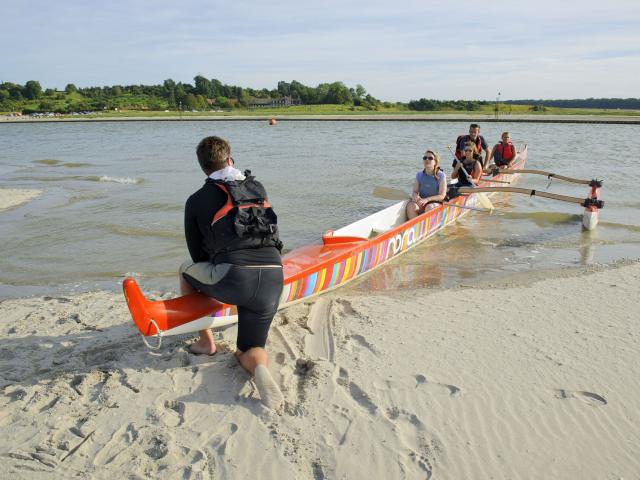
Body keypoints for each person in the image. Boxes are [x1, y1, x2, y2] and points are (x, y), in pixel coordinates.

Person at [180, 135, 285, 411]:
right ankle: (259, 368)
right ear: (230, 159)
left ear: (203, 168)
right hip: (274, 276)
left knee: (185, 271)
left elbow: (197, 257)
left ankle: (206, 343)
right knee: (248, 350)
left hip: (235, 277)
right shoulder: (257, 187)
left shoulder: (196, 200)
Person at [406, 150, 447, 219]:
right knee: (410, 206)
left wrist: (427, 200)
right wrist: (415, 196)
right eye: (425, 158)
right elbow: (415, 192)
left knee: (429, 207)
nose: (427, 160)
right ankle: (416, 226)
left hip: (435, 203)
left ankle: (425, 225)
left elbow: (442, 196)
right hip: (422, 202)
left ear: (435, 162)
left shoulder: (441, 175)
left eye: (430, 158)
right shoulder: (419, 175)